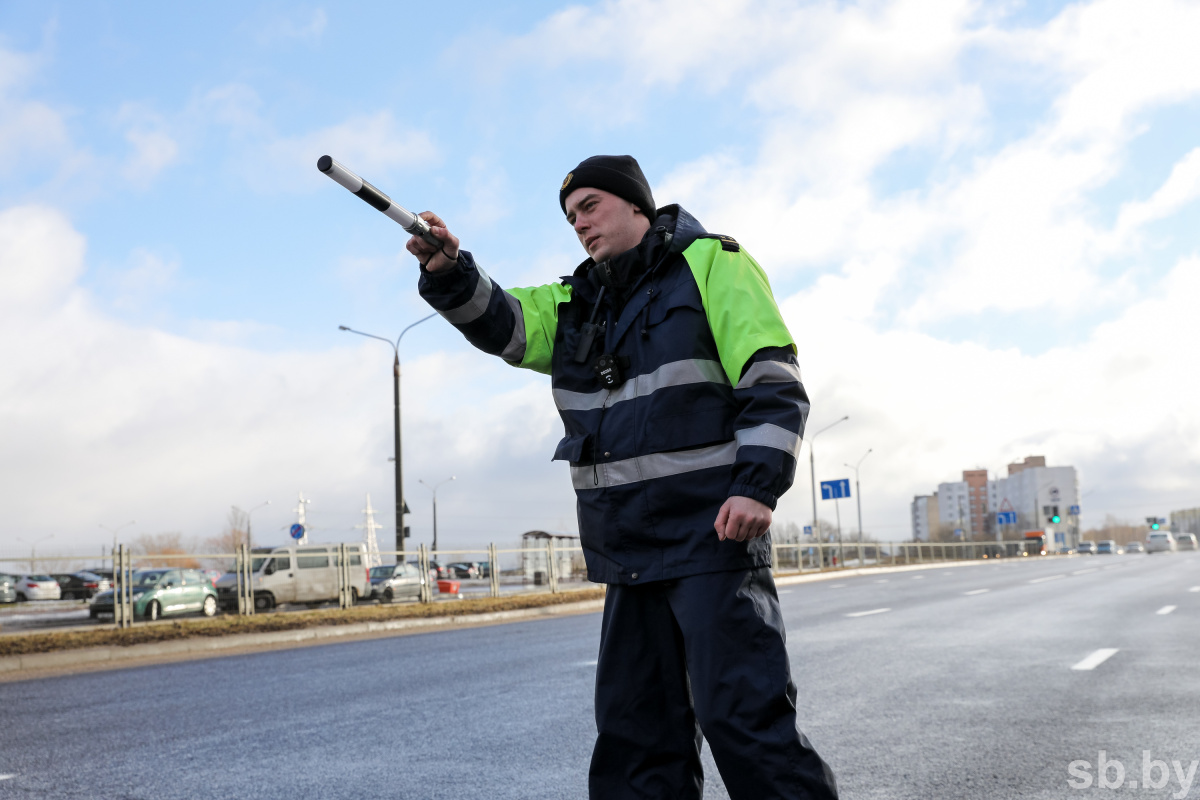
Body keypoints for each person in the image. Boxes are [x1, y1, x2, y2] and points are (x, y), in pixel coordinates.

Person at [408, 155, 838, 799]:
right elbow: (504, 320)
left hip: (712, 541)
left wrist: (756, 485)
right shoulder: (578, 301)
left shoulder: (715, 263)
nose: (580, 225)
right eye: (570, 216)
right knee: (636, 741)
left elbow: (772, 380)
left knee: (746, 725)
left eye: (590, 206)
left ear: (636, 203)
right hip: (627, 553)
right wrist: (447, 267)